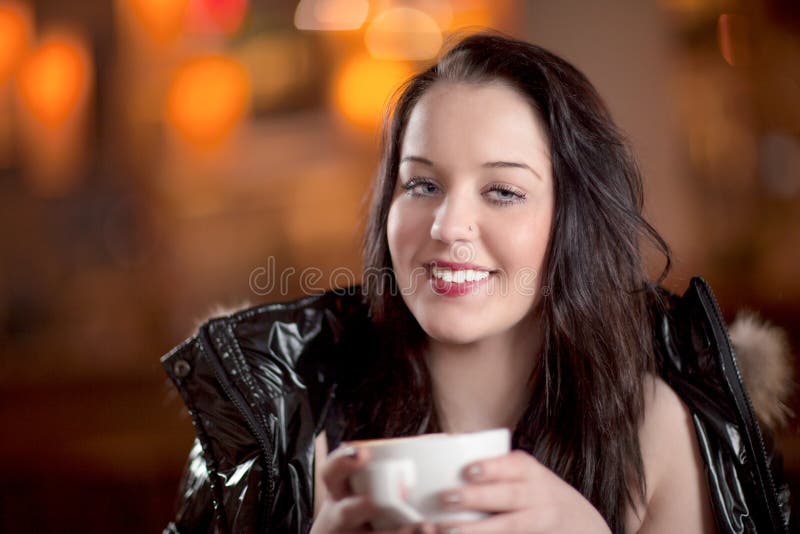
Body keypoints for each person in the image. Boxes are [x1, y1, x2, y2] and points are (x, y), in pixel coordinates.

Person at [161, 32, 793, 533]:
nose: (447, 225)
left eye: (502, 191)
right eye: (422, 184)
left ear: (569, 222)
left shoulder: (654, 429)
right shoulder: (285, 418)